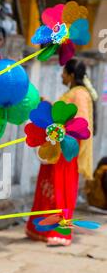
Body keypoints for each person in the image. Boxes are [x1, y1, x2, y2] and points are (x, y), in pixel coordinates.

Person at [26, 58, 97, 246]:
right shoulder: (73, 92)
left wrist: (60, 134)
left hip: (66, 151)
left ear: (71, 75)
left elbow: (80, 125)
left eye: (64, 72)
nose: (61, 75)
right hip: (56, 149)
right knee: (48, 187)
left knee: (62, 189)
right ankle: (41, 229)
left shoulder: (79, 93)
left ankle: (61, 233)